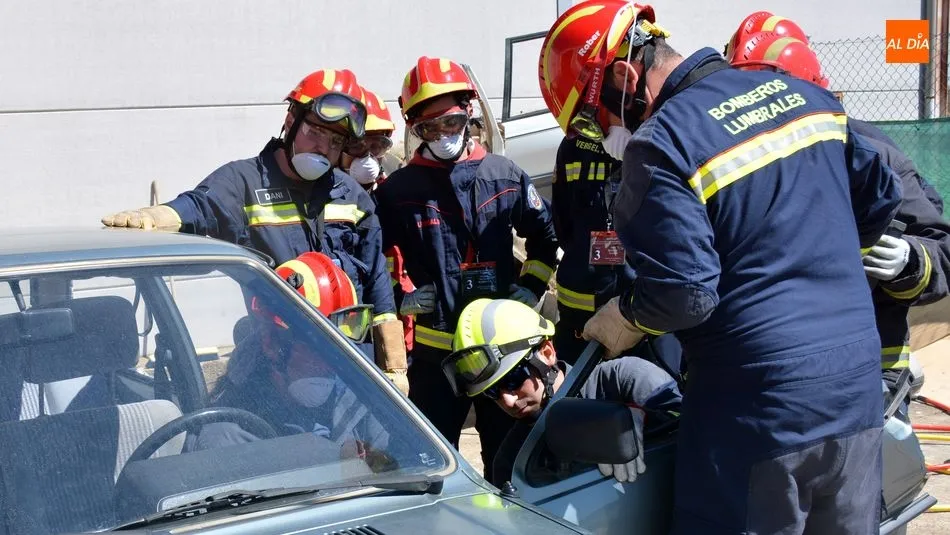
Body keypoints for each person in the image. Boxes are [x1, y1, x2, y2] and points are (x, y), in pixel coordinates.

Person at [538, 2, 902, 534]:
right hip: (857, 390)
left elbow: (685, 293)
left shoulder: (662, 143)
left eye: (594, 119)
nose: (602, 136)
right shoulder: (807, 98)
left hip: (758, 409)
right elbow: (877, 203)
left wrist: (629, 315)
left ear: (623, 75)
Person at [100, 69, 406, 376]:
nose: (322, 147)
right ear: (291, 121)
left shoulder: (351, 195)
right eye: (315, 132)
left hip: (348, 364)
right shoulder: (243, 181)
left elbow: (376, 278)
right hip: (279, 361)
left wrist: (393, 364)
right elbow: (202, 205)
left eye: (335, 140)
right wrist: (162, 215)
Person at [727, 23, 950, 416]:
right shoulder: (733, 165)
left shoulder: (874, 155)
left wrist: (910, 262)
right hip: (767, 375)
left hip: (868, 376)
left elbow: (942, 248)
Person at [374, 56, 560, 485]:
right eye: (429, 129)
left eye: (451, 123)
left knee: (506, 461)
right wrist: (399, 295)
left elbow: (545, 237)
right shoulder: (399, 191)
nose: (442, 137)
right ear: (414, 128)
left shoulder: (505, 175)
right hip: (437, 353)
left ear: (470, 112)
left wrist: (531, 289)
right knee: (431, 459)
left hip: (505, 353)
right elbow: (374, 259)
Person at [441, 297, 682, 486]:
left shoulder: (624, 379)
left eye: (513, 379)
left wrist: (640, 418)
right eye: (492, 392)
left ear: (547, 353)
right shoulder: (513, 460)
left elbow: (691, 426)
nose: (507, 400)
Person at [194, 252, 394, 468]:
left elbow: (402, 472)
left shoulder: (361, 403)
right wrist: (334, 459)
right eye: (316, 345)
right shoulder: (228, 437)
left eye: (339, 345)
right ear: (271, 343)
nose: (331, 362)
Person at [342, 86, 396, 193]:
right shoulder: (318, 194)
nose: (368, 158)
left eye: (376, 146)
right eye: (357, 146)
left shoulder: (391, 194)